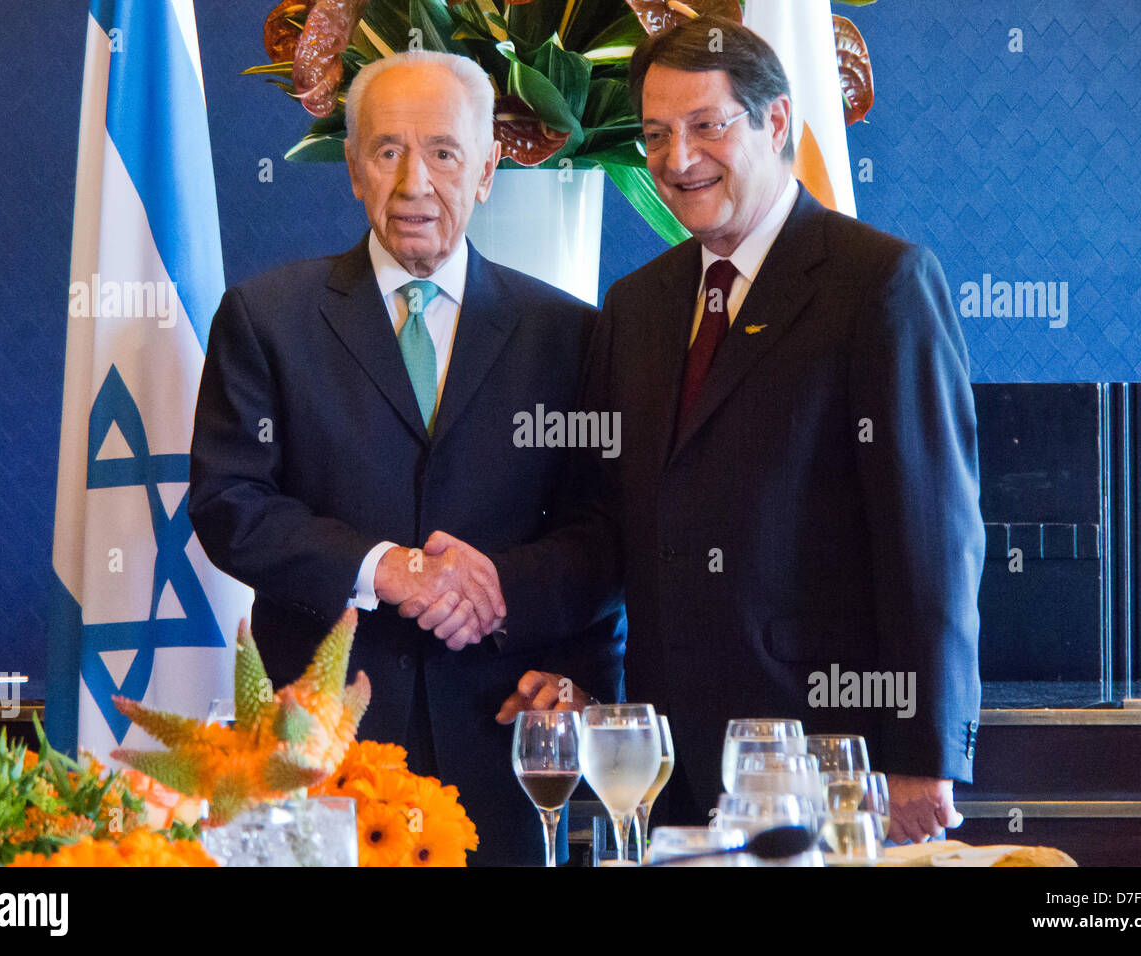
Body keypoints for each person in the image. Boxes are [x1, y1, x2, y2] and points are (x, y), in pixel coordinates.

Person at [499, 16, 985, 844]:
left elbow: (932, 539)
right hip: (668, 770)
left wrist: (924, 750)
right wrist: (574, 674)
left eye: (705, 126)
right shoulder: (636, 306)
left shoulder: (880, 285)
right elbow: (611, 529)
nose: (677, 160)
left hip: (833, 762)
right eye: (655, 134)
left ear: (776, 123)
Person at [188, 50, 622, 865]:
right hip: (320, 758)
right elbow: (229, 503)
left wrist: (507, 602)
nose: (414, 182)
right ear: (353, 169)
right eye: (388, 151)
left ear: (488, 168)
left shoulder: (571, 334)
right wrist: (384, 568)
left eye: (444, 153)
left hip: (511, 746)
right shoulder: (266, 318)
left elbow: (604, 531)